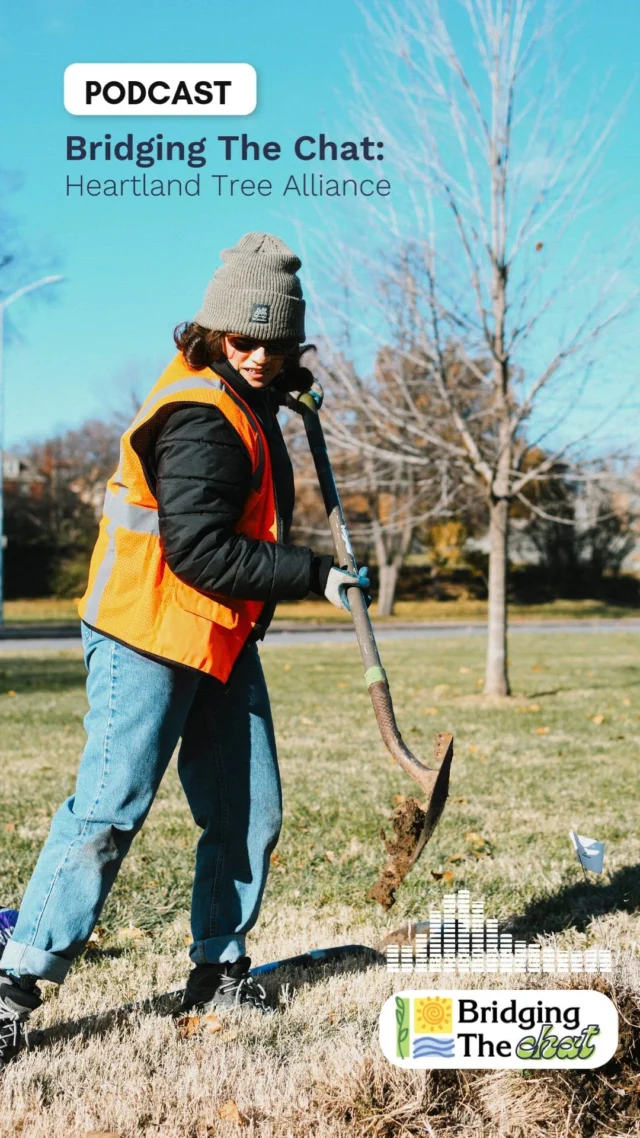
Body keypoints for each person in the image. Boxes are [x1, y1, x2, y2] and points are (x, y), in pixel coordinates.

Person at [0, 232, 370, 1062]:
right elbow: (199, 550)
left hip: (215, 632)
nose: (261, 356)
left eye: (278, 343)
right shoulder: (201, 415)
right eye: (244, 339)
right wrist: (313, 574)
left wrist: (282, 392)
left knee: (247, 809)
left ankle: (217, 969)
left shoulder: (248, 394)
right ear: (213, 332)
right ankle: (13, 988)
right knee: (110, 809)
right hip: (146, 630)